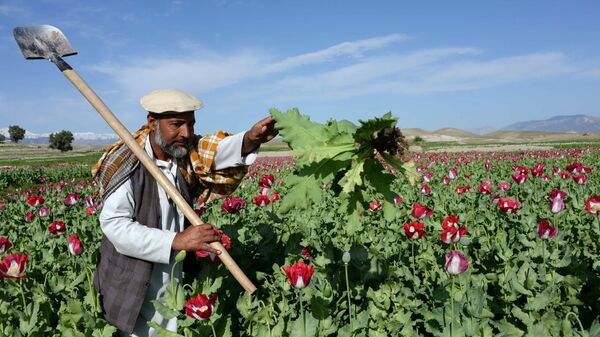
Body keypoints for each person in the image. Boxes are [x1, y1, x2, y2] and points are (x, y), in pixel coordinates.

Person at [91, 88, 278, 336]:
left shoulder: (183, 156)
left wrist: (251, 139)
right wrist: (178, 240)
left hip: (174, 277)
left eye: (191, 124)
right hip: (131, 281)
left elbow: (217, 151)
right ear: (152, 123)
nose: (186, 133)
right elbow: (116, 227)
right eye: (177, 124)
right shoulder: (127, 163)